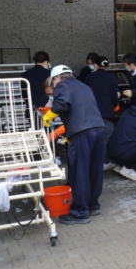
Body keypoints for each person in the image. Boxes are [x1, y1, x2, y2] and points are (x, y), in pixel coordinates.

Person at [42, 65, 106, 225]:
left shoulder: (62, 85)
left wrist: (49, 115)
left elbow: (63, 102)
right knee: (95, 169)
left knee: (80, 172)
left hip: (81, 133)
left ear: (56, 78)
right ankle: (93, 205)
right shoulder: (84, 86)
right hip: (98, 129)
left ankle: (80, 212)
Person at [85, 56, 119, 170]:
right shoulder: (111, 77)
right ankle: (104, 161)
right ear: (107, 66)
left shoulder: (89, 77)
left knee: (91, 138)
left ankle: (91, 160)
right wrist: (114, 105)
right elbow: (114, 97)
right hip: (106, 112)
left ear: (96, 65)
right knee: (106, 138)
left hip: (91, 112)